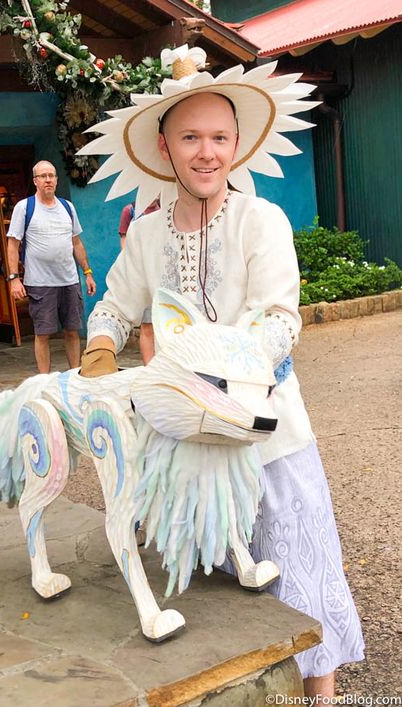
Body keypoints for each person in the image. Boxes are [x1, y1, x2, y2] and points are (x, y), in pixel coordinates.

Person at [76, 46, 364, 698]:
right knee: (223, 600)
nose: (207, 152)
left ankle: (323, 695)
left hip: (269, 435)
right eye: (190, 137)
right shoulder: (145, 237)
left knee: (301, 575)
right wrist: (98, 349)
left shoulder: (261, 221)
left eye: (219, 137)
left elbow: (279, 320)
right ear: (163, 145)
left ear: (238, 143)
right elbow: (113, 306)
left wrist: (220, 367)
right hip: (188, 450)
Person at [7, 160, 96, 373]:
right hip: (40, 283)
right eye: (43, 176)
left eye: (52, 175)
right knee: (43, 333)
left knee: (72, 331)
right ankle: (45, 379)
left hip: (69, 280)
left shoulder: (67, 207)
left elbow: (76, 242)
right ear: (35, 181)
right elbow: (13, 244)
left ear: (56, 179)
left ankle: (75, 375)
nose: (48, 180)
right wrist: (14, 278)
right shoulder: (25, 207)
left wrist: (87, 272)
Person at [118, 198, 161, 364]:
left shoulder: (167, 209)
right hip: (143, 276)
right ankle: (149, 366)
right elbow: (124, 239)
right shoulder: (130, 211)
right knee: (147, 323)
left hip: (164, 273)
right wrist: (130, 264)